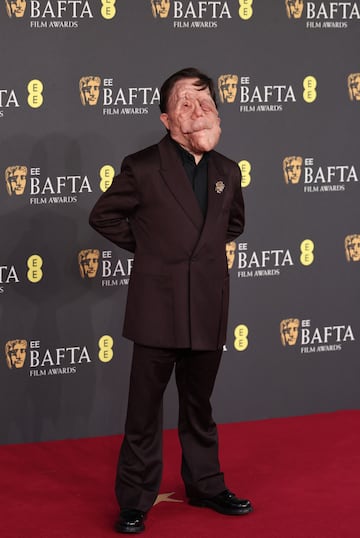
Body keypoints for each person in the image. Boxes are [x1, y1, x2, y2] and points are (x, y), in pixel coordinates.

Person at [89, 67, 252, 534]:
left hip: (207, 303)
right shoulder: (141, 166)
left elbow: (233, 225)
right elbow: (104, 216)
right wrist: (154, 249)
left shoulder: (227, 170)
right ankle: (136, 499)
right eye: (184, 101)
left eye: (204, 100)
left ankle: (205, 484)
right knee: (144, 411)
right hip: (156, 307)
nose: (197, 108)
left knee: (199, 406)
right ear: (165, 119)